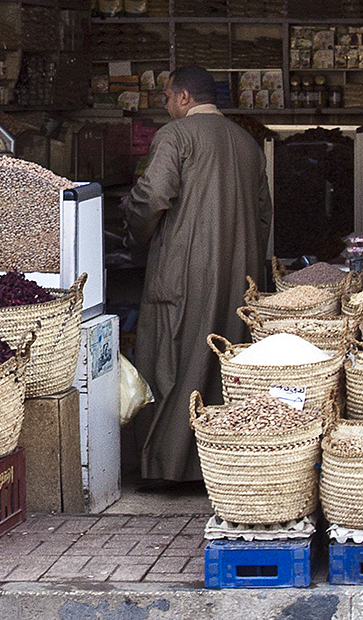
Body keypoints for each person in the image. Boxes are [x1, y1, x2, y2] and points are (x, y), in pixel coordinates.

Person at [122, 66, 272, 485]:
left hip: (183, 272)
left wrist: (132, 230)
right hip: (238, 274)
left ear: (185, 97)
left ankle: (167, 468)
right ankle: (220, 465)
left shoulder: (176, 136)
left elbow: (152, 196)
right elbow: (263, 215)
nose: (166, 104)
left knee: (171, 361)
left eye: (167, 96)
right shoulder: (246, 142)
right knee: (224, 366)